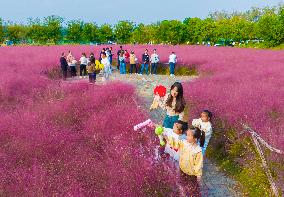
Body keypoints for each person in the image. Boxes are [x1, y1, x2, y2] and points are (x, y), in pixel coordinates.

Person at [178, 127, 204, 196]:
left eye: (189, 135)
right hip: (182, 169)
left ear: (195, 139)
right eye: (187, 134)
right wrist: (165, 135)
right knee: (183, 185)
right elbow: (176, 142)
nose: (186, 136)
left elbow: (198, 164)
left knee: (193, 189)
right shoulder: (184, 143)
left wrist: (198, 175)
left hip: (191, 174)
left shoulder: (198, 151)